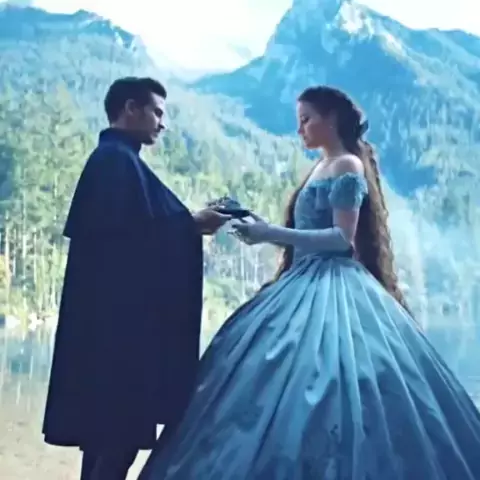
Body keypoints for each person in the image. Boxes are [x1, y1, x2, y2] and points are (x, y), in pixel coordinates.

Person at [139, 85, 480, 479]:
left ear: (330, 119)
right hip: (301, 281)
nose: (300, 129)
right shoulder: (321, 166)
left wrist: (269, 234)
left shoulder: (347, 165)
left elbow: (341, 239)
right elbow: (310, 233)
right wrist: (259, 228)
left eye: (306, 120)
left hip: (334, 285)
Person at [42, 76, 231, 480]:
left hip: (111, 335)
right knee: (118, 441)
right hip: (118, 341)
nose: (163, 123)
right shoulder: (115, 163)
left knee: (105, 441)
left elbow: (139, 233)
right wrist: (191, 224)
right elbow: (134, 243)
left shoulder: (120, 162)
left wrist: (188, 223)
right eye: (157, 112)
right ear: (131, 108)